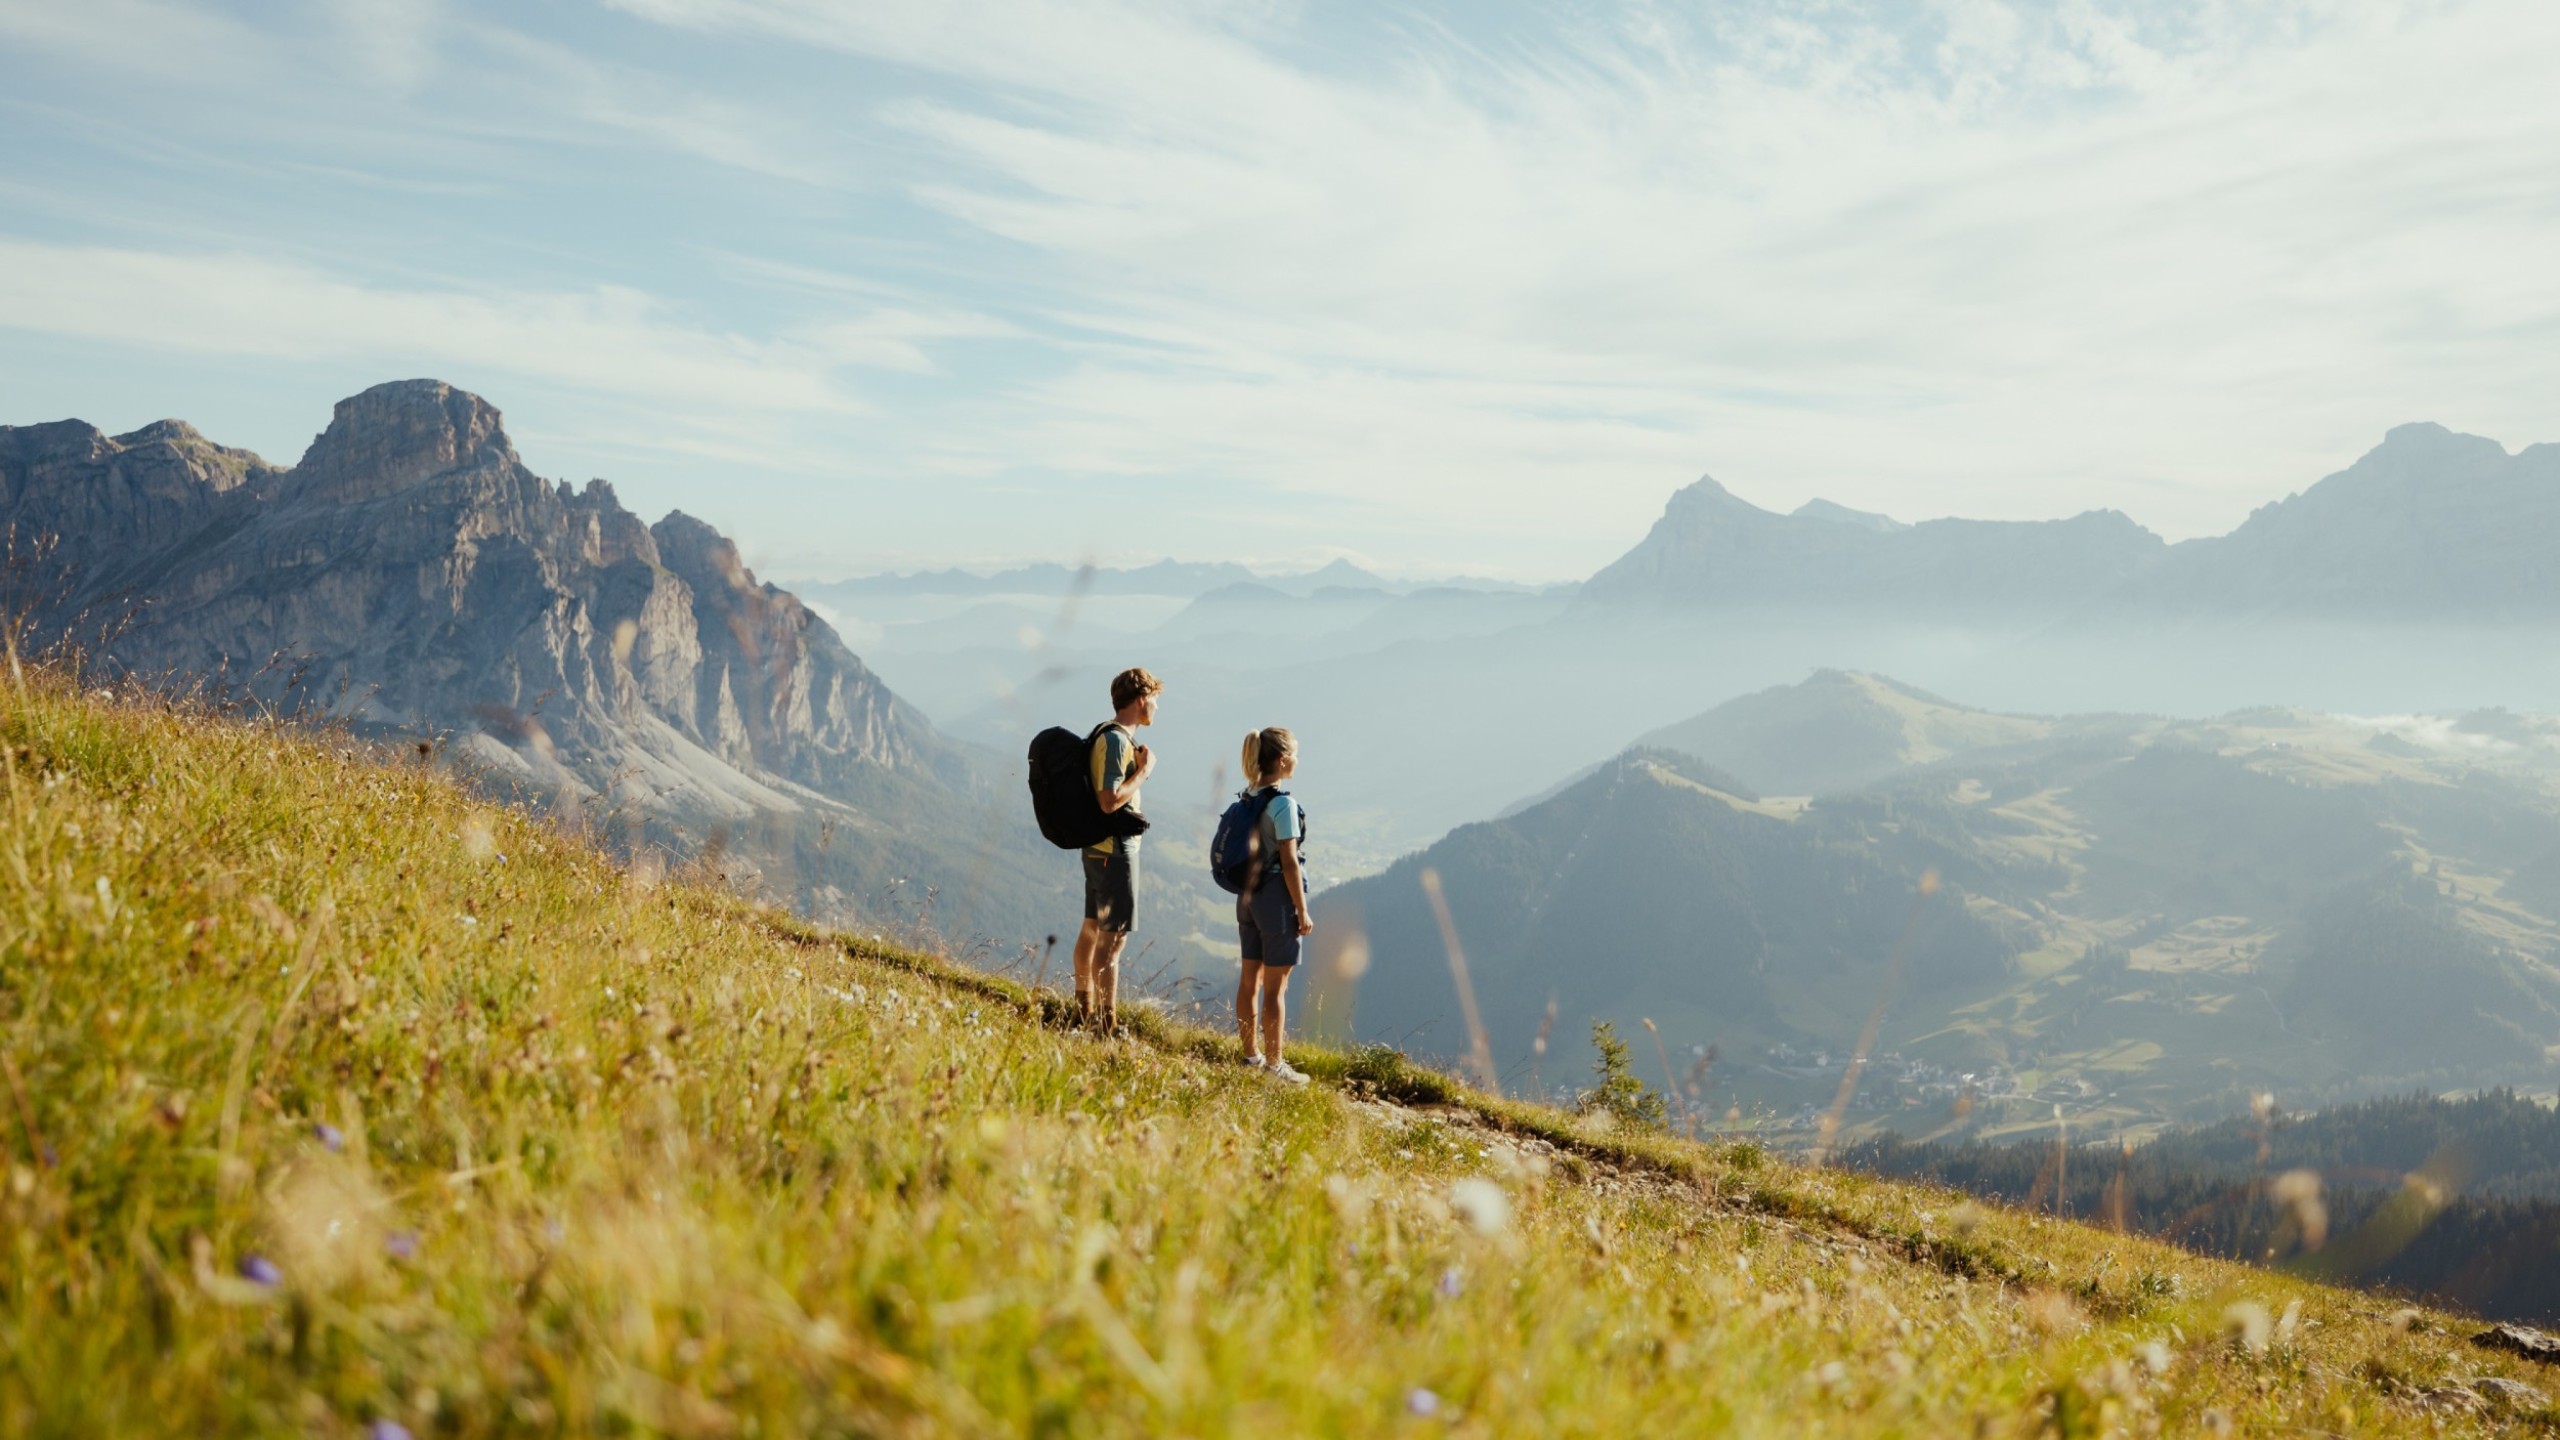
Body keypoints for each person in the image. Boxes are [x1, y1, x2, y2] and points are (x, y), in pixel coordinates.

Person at [1075, 666, 1161, 1034]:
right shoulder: (1115, 742)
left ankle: (1084, 1012)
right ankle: (1106, 1025)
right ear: (1142, 700)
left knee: (1092, 929)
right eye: (1154, 700)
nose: (1156, 707)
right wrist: (1144, 772)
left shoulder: (1106, 734)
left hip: (1098, 849)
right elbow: (1109, 801)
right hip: (1115, 852)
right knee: (1113, 941)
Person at [1234, 726, 1312, 1083]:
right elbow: (1290, 861)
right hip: (1275, 899)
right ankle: (1275, 1065)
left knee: (1249, 978)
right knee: (1276, 988)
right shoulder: (1283, 804)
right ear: (1282, 761)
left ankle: (1251, 1055)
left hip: (1247, 897)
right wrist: (1302, 909)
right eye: (1294, 754)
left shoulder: (1247, 797)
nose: (1297, 760)